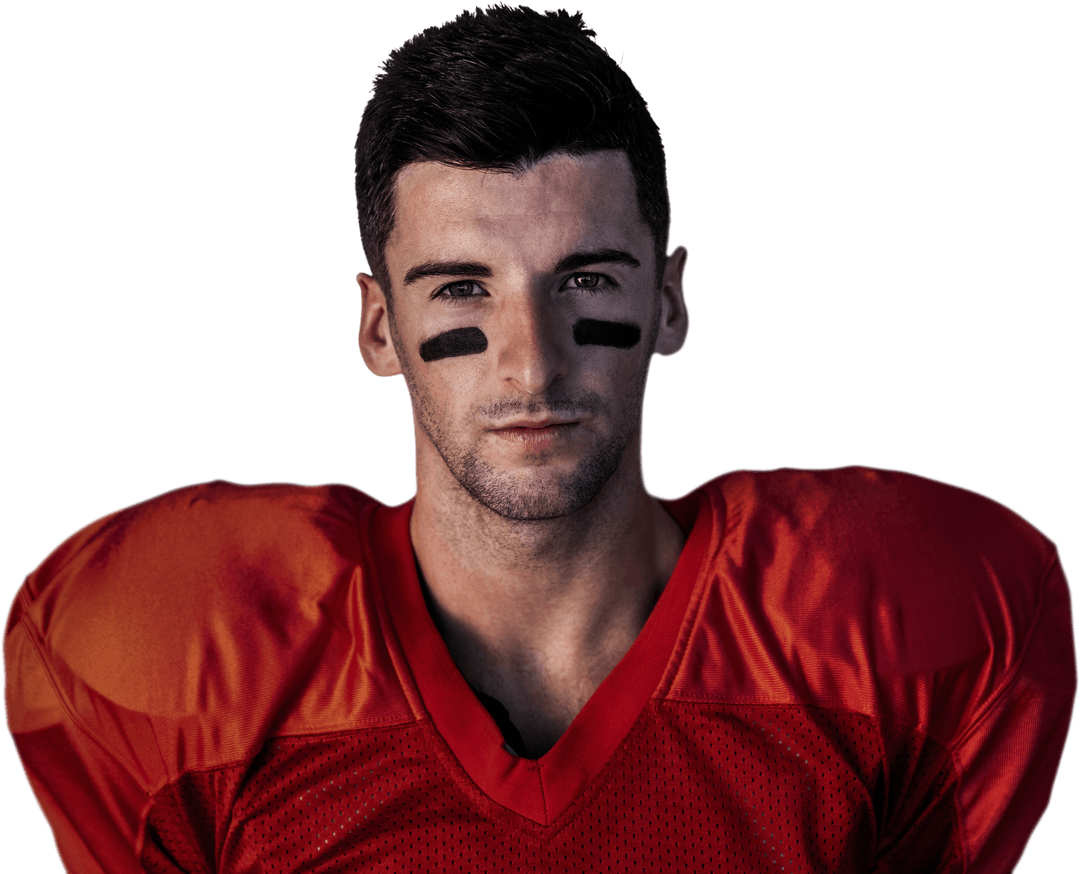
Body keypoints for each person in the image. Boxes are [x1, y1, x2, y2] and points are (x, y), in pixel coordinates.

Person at [3, 5, 1076, 872]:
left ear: (669, 300)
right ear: (381, 327)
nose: (533, 361)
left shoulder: (884, 624)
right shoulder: (182, 654)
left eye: (587, 280)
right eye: (463, 286)